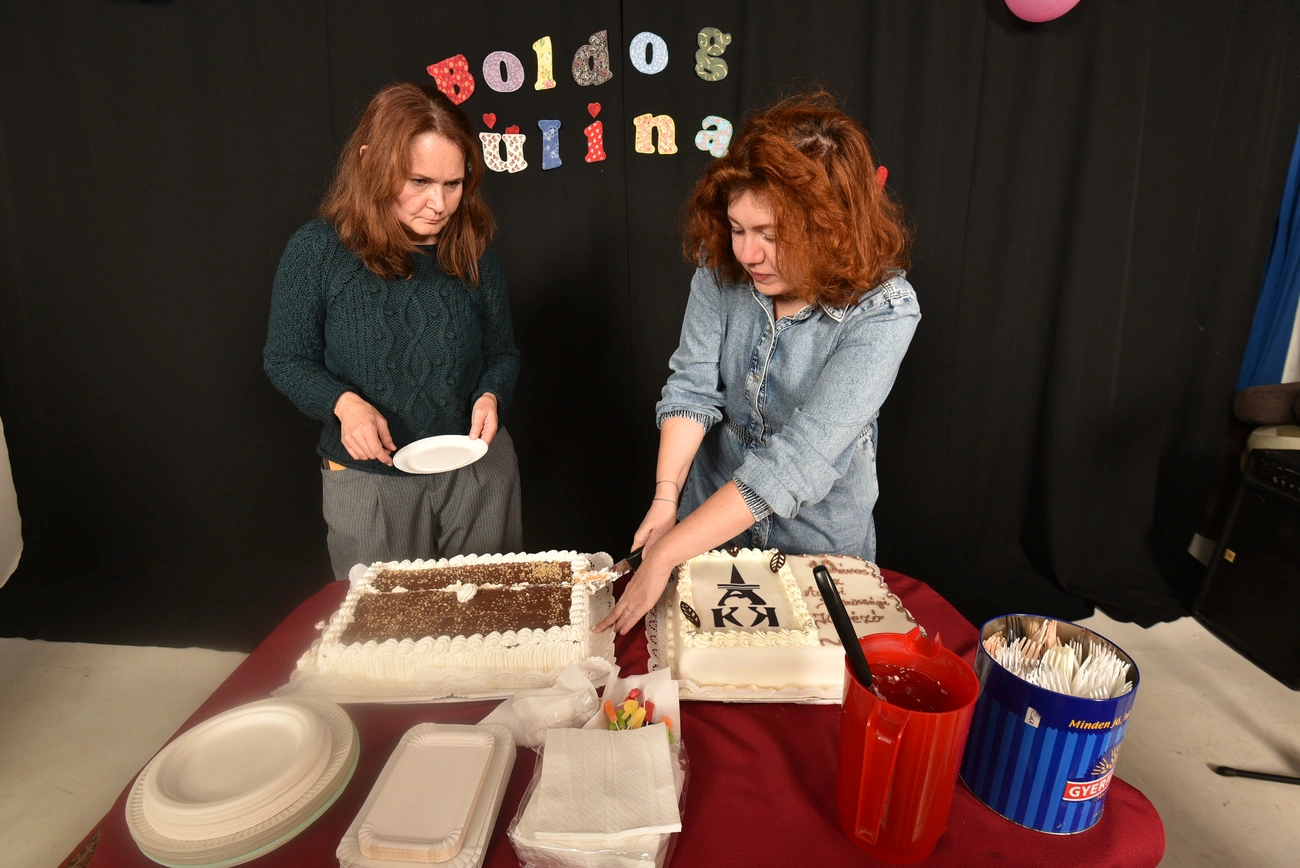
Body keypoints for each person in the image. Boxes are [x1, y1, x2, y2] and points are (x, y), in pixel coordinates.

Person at [597, 89, 919, 634]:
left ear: (832, 226)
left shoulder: (885, 310)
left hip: (818, 554)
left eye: (771, 236)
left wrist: (670, 549)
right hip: (708, 537)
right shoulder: (721, 265)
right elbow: (692, 389)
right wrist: (666, 498)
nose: (747, 254)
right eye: (738, 228)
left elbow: (799, 460)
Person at [264, 82, 522, 579]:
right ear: (370, 163)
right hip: (371, 482)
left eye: (453, 184)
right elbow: (286, 358)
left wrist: (492, 394)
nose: (438, 203)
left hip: (478, 471)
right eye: (419, 181)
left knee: (492, 615)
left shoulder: (472, 249)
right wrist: (344, 404)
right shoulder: (318, 250)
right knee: (383, 623)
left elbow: (502, 353)